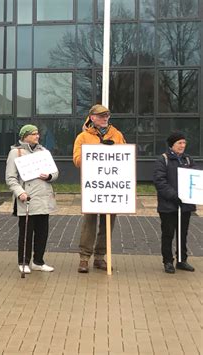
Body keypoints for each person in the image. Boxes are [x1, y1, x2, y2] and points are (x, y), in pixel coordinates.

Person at [72, 104, 126, 273]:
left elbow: (125, 157)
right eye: (101, 116)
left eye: (107, 116)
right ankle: (84, 258)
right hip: (94, 187)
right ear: (92, 118)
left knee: (108, 223)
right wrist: (97, 153)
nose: (105, 118)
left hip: (112, 187)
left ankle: (100, 257)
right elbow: (77, 160)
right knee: (89, 222)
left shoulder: (117, 135)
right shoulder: (82, 137)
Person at [5, 124, 58, 274]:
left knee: (43, 232)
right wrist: (20, 192)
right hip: (26, 198)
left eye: (37, 133)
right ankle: (23, 262)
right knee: (26, 232)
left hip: (43, 197)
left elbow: (55, 172)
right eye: (34, 134)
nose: (37, 136)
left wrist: (49, 176)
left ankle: (38, 261)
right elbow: (10, 178)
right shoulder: (16, 153)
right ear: (25, 136)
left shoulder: (44, 151)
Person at [153, 131, 196, 274]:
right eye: (180, 143)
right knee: (168, 233)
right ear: (172, 145)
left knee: (182, 233)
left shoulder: (188, 160)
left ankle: (182, 260)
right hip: (168, 205)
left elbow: (194, 178)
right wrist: (174, 196)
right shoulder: (163, 159)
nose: (182, 145)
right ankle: (167, 261)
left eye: (184, 143)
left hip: (185, 206)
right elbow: (160, 181)